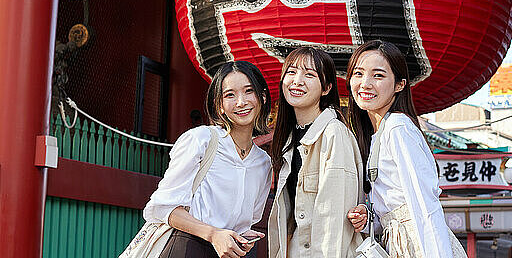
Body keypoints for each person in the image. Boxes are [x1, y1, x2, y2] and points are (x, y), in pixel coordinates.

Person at [345, 40, 466, 258]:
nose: (365, 83)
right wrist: (368, 217)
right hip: (399, 242)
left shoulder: (398, 127)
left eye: (378, 75)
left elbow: (424, 203)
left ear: (399, 85)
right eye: (358, 73)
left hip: (418, 244)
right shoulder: (377, 134)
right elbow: (392, 205)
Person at [143, 61, 273, 258]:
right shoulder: (201, 140)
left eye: (249, 91)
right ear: (219, 106)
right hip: (189, 248)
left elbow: (250, 219)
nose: (241, 102)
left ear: (262, 97)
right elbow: (163, 207)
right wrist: (213, 234)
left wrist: (242, 236)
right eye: (230, 95)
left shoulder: (263, 163)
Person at [269, 47, 364, 258]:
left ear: (326, 88)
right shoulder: (291, 138)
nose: (297, 81)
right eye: (291, 72)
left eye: (309, 74)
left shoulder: (334, 133)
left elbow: (335, 220)